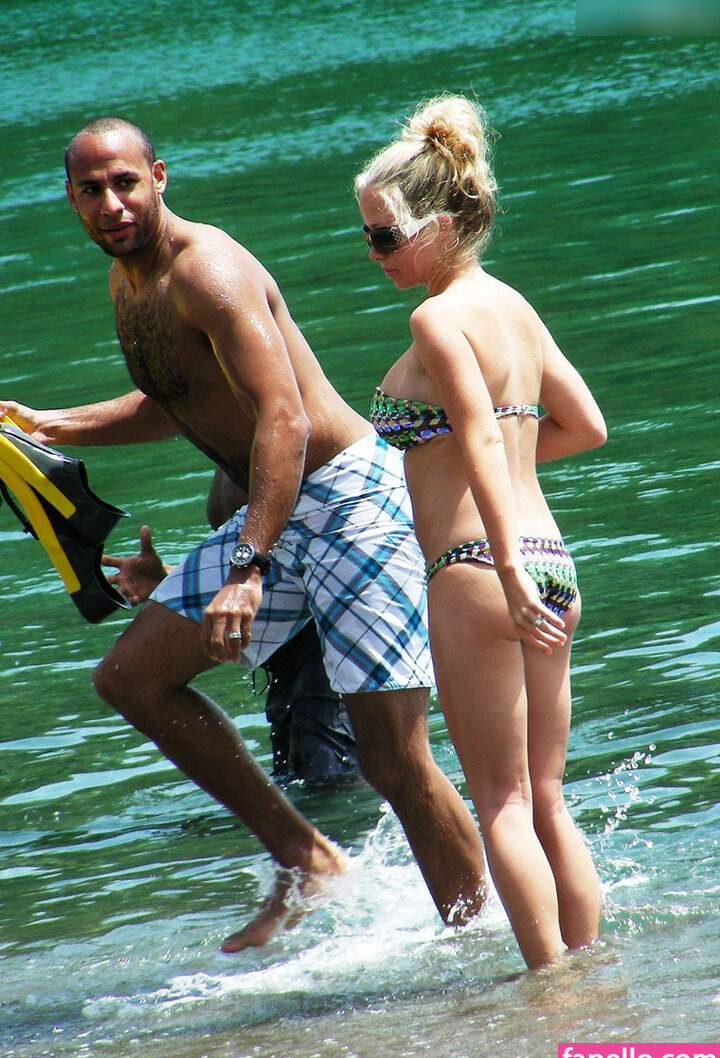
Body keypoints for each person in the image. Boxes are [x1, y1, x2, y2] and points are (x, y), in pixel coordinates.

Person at [0, 115, 487, 952]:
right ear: (71, 199)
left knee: (393, 761)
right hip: (274, 511)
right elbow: (177, 398)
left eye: (126, 183)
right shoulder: (130, 281)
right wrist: (51, 424)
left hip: (347, 502)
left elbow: (283, 417)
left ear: (159, 176)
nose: (113, 204)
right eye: (92, 190)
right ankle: (309, 859)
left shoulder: (207, 271)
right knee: (132, 679)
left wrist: (246, 567)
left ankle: (494, 948)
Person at [356, 94, 607, 969]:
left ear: (438, 226)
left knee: (502, 803)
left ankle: (554, 994)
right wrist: (518, 533)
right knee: (548, 799)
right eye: (367, 236)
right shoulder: (513, 305)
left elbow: (480, 437)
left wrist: (500, 565)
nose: (373, 253)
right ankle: (595, 975)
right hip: (553, 562)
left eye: (384, 235)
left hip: (480, 570)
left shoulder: (436, 318)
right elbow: (586, 427)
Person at [103, 467, 360, 787]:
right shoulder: (232, 455)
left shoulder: (288, 442)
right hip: (285, 653)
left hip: (325, 639)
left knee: (329, 782)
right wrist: (169, 579)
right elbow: (280, 559)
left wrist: (50, 436)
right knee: (297, 780)